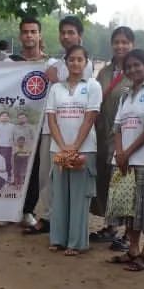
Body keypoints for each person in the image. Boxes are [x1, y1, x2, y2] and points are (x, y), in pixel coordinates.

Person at [27, 16, 94, 235]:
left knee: (72, 178)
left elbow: (79, 90)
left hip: (76, 133)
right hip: (52, 129)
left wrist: (56, 80)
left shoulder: (85, 63)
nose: (66, 36)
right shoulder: (55, 65)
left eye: (71, 32)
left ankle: (67, 223)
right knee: (46, 175)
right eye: (63, 32)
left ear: (80, 36)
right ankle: (48, 217)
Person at [109, 48, 144, 270]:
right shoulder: (126, 93)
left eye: (137, 65)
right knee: (129, 210)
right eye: (128, 67)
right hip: (124, 161)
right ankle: (132, 249)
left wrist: (128, 152)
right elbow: (117, 126)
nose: (133, 70)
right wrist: (120, 153)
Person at [45, 44, 101, 255]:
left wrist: (75, 147)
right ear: (66, 62)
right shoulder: (56, 89)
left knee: (79, 196)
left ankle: (76, 243)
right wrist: (63, 147)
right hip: (58, 149)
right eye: (72, 59)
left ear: (86, 63)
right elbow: (51, 119)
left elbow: (90, 118)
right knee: (59, 195)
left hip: (84, 149)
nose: (75, 63)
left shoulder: (93, 86)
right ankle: (58, 239)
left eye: (80, 59)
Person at [92, 25, 136, 244]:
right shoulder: (104, 72)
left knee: (125, 184)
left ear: (132, 45)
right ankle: (110, 226)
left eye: (125, 42)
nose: (120, 46)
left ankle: (129, 233)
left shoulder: (137, 71)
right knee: (107, 181)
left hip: (126, 139)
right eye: (117, 42)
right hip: (103, 136)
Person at [9, 15, 47, 229]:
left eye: (33, 32)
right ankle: (5, 209)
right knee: (10, 164)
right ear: (20, 36)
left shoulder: (49, 64)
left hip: (39, 125)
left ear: (39, 35)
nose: (29, 35)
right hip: (14, 123)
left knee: (34, 168)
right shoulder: (9, 63)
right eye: (25, 32)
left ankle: (28, 210)